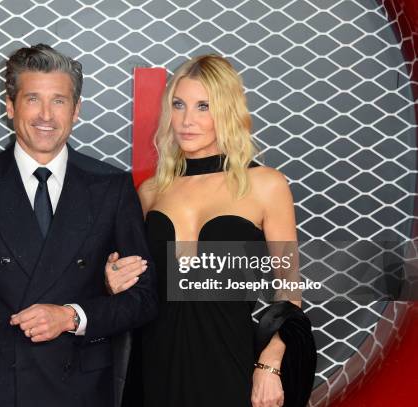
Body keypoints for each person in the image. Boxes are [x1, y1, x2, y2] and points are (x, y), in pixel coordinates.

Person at [0, 44, 158, 407]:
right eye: (33, 99)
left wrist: (71, 316)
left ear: (76, 110)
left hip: (79, 390)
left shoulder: (110, 187)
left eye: (59, 101)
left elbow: (144, 300)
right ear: (10, 106)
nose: (46, 115)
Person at [105, 55, 316, 407]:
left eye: (204, 106)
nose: (187, 120)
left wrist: (270, 363)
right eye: (179, 105)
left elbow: (289, 292)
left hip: (229, 366)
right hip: (154, 368)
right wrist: (111, 281)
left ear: (227, 111)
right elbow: (136, 290)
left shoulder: (265, 185)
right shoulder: (151, 192)